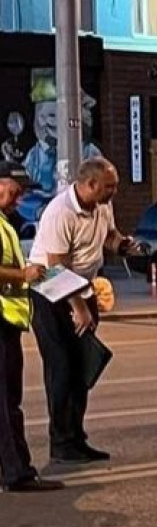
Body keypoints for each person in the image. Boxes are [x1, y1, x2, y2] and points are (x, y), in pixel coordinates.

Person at [29, 157, 142, 466]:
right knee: (62, 367)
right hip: (50, 293)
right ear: (89, 184)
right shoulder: (60, 212)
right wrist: (78, 307)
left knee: (82, 368)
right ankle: (61, 442)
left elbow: (109, 236)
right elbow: (55, 268)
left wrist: (125, 246)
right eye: (109, 187)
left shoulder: (102, 206)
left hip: (83, 288)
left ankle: (77, 438)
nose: (113, 192)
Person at [0, 165, 61, 492]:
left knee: (8, 402)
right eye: (14, 191)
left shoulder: (4, 224)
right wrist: (23, 276)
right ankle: (16, 472)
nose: (18, 198)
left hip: (7, 322)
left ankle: (13, 469)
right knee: (6, 404)